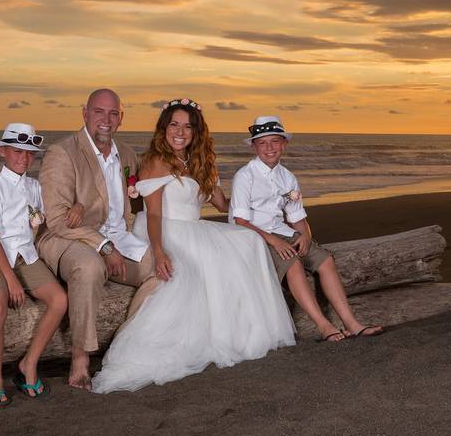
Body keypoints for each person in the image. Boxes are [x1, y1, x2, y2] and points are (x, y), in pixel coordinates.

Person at [91, 99, 296, 393]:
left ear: (196, 132)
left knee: (248, 240)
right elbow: (155, 213)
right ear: (164, 128)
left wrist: (255, 189)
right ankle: (141, 342)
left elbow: (225, 205)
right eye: (174, 124)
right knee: (186, 276)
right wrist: (159, 252)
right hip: (163, 230)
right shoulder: (156, 161)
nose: (180, 131)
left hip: (195, 228)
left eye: (187, 126)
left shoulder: (200, 163)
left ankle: (243, 333)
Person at [36, 89, 158, 391]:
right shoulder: (62, 153)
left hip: (118, 238)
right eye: (99, 111)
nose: (106, 119)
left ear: (121, 118)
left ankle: (124, 344)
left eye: (113, 113)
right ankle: (80, 357)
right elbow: (57, 220)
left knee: (163, 269)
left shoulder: (127, 155)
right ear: (85, 113)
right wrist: (103, 246)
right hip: (67, 240)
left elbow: (144, 194)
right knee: (89, 266)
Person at [229, 116, 384, 342]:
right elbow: (241, 221)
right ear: (254, 146)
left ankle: (352, 324)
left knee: (326, 260)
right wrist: (275, 241)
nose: (269, 148)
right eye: (262, 143)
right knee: (293, 263)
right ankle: (323, 326)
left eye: (274, 141)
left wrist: (305, 236)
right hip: (251, 236)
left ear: (284, 143)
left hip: (281, 231)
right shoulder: (245, 176)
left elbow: (297, 216)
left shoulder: (288, 177)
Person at [0, 123, 69, 407]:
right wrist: (11, 279)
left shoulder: (34, 187)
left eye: (30, 154)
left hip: (24, 254)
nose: (24, 158)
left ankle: (29, 363)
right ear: (3, 152)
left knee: (60, 300)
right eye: (17, 151)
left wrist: (74, 210)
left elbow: (43, 218)